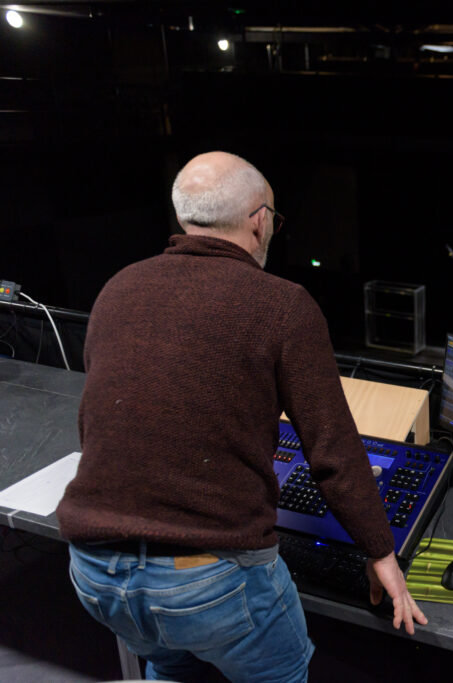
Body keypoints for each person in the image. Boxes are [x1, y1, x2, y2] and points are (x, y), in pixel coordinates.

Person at [56, 151, 426, 683]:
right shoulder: (282, 304)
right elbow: (334, 454)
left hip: (93, 573)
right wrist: (381, 553)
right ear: (259, 221)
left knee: (171, 663)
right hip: (205, 581)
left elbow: (103, 419)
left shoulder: (118, 288)